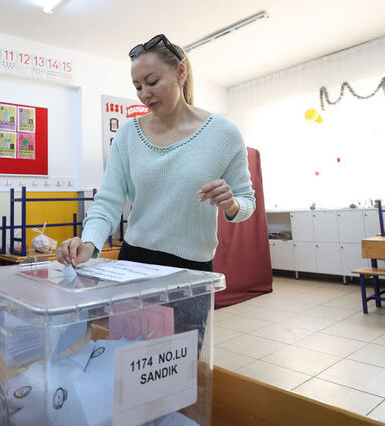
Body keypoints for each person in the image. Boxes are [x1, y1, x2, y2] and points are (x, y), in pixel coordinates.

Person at [56, 34, 255, 345]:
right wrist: (89, 242)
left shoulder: (223, 133)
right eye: (137, 87)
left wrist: (231, 204)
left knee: (182, 365)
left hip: (191, 269)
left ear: (180, 73)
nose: (144, 94)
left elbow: (246, 203)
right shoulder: (128, 134)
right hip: (134, 262)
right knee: (129, 362)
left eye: (151, 81)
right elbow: (108, 201)